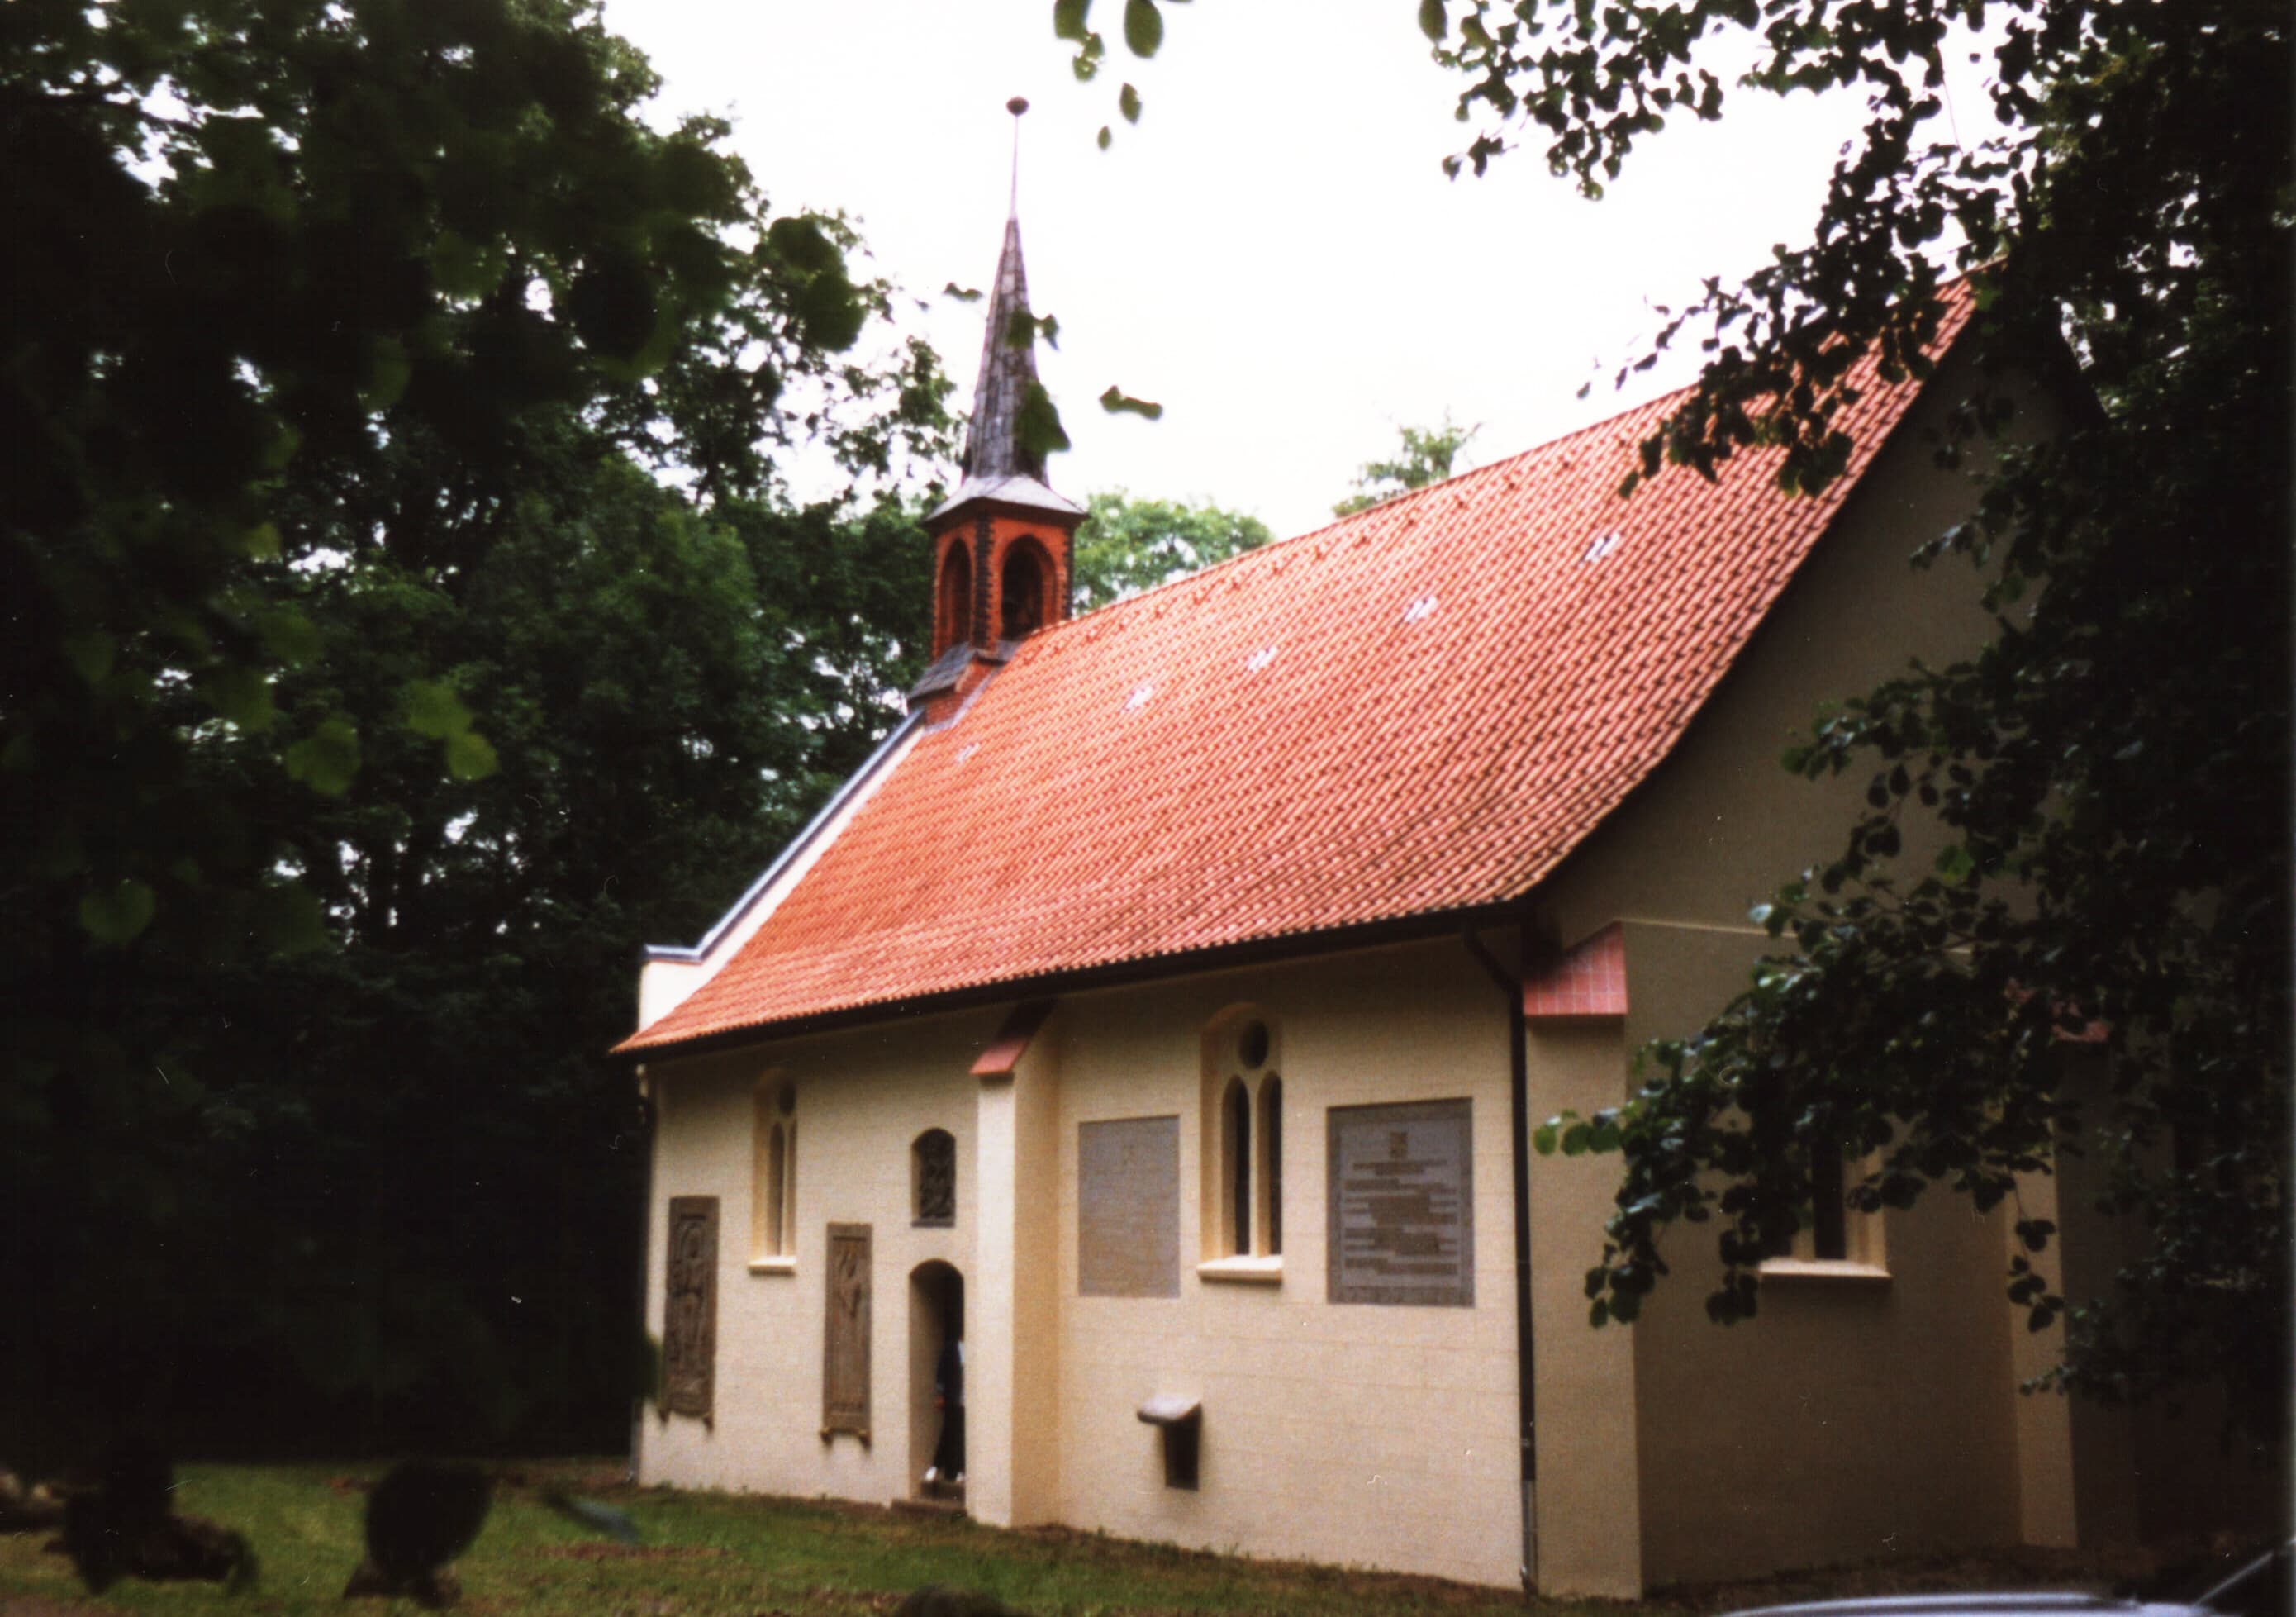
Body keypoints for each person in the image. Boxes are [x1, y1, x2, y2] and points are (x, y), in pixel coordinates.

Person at [922, 1333, 964, 1487]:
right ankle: (936, 1467)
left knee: (962, 1436)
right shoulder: (951, 1348)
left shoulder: (974, 1349)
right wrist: (940, 1394)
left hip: (967, 1400)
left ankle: (961, 1471)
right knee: (948, 1433)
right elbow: (941, 1371)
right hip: (953, 1398)